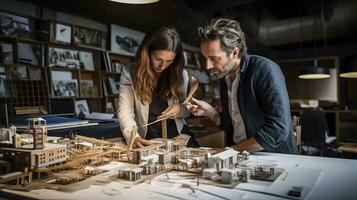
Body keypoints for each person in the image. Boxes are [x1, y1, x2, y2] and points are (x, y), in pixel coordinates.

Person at [187, 18, 297, 154]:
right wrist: (210, 111)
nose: (207, 66)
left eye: (214, 58)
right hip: (242, 157)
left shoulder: (264, 70)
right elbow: (232, 126)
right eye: (205, 58)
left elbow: (278, 129)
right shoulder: (225, 79)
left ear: (234, 52)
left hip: (275, 158)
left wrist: (230, 151)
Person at [118, 26, 199, 148]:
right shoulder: (130, 72)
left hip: (179, 136)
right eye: (158, 59)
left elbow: (191, 108)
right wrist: (133, 138)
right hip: (148, 139)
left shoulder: (181, 74)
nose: (163, 66)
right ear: (147, 52)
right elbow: (125, 111)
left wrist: (180, 109)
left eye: (169, 61)